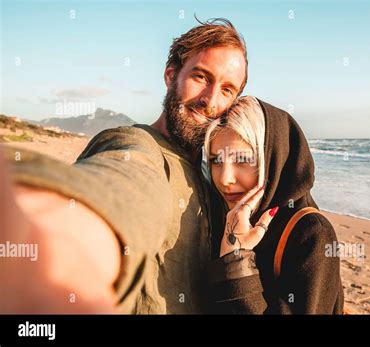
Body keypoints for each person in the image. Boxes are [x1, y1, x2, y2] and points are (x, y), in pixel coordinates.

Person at [0, 18, 247, 314]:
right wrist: (53, 251)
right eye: (201, 77)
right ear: (171, 75)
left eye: (227, 89)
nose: (210, 100)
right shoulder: (137, 145)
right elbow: (124, 183)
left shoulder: (215, 173)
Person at [203, 96, 344, 314]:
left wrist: (236, 260)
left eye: (242, 160)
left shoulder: (312, 234)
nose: (225, 179)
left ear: (274, 159)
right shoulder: (220, 216)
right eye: (216, 160)